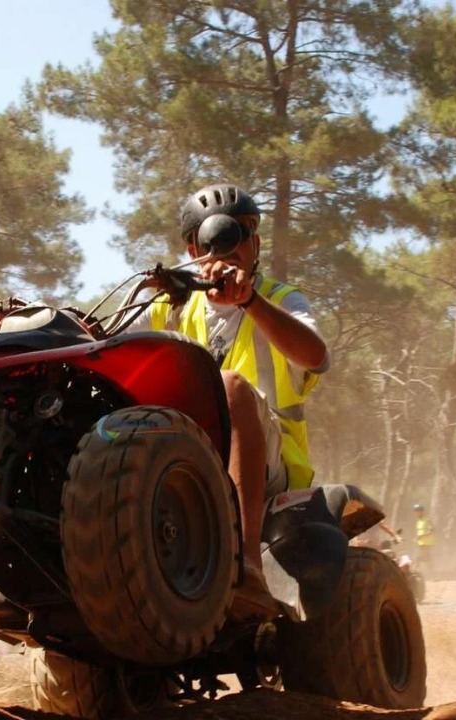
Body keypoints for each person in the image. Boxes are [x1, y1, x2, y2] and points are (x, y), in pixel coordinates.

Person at [129, 183, 330, 616]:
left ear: (255, 244)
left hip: (273, 469)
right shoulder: (171, 306)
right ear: (192, 250)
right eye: (214, 238)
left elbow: (316, 355)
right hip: (187, 458)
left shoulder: (281, 299)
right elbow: (100, 342)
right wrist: (31, 326)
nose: (227, 249)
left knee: (230, 385)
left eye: (239, 235)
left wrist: (251, 302)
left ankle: (246, 567)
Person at [413, 503, 435, 570]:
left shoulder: (427, 520)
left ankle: (417, 568)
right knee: (426, 557)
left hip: (427, 543)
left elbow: (431, 530)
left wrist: (421, 536)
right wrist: (417, 537)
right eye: (415, 511)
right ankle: (430, 570)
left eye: (418, 511)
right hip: (421, 542)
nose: (416, 513)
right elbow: (419, 532)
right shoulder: (418, 521)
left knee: (423, 557)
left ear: (422, 511)